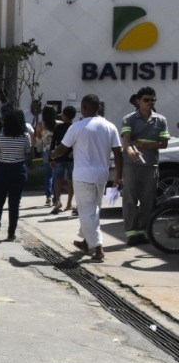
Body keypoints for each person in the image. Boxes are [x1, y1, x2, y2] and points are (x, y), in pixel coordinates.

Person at [53, 94, 122, 263]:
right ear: (98, 108)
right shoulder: (109, 126)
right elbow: (118, 153)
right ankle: (85, 242)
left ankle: (98, 248)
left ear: (83, 108)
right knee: (94, 210)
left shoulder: (77, 127)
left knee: (87, 212)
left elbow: (62, 149)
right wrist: (119, 176)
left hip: (83, 176)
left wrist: (53, 154)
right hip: (102, 175)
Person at [120, 87, 169, 246]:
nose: (150, 103)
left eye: (152, 100)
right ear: (138, 101)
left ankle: (142, 232)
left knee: (148, 200)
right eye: (146, 100)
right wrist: (129, 150)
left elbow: (164, 144)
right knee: (130, 199)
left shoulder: (160, 120)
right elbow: (126, 139)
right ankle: (132, 233)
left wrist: (143, 145)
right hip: (131, 165)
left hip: (151, 165)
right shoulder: (129, 119)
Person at [0, 107, 32, 242]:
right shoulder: (25, 136)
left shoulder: (1, 135)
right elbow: (27, 151)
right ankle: (11, 233)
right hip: (18, 170)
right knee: (14, 204)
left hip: (3, 169)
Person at [49, 105, 77, 215]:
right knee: (71, 181)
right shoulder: (74, 127)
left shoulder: (58, 127)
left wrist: (51, 157)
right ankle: (69, 203)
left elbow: (53, 142)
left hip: (59, 157)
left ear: (65, 116)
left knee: (57, 180)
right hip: (71, 158)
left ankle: (58, 201)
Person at [34, 105, 59, 207]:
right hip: (57, 152)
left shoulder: (40, 125)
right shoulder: (58, 124)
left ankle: (48, 196)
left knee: (48, 175)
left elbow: (38, 140)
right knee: (56, 175)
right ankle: (56, 197)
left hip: (45, 152)